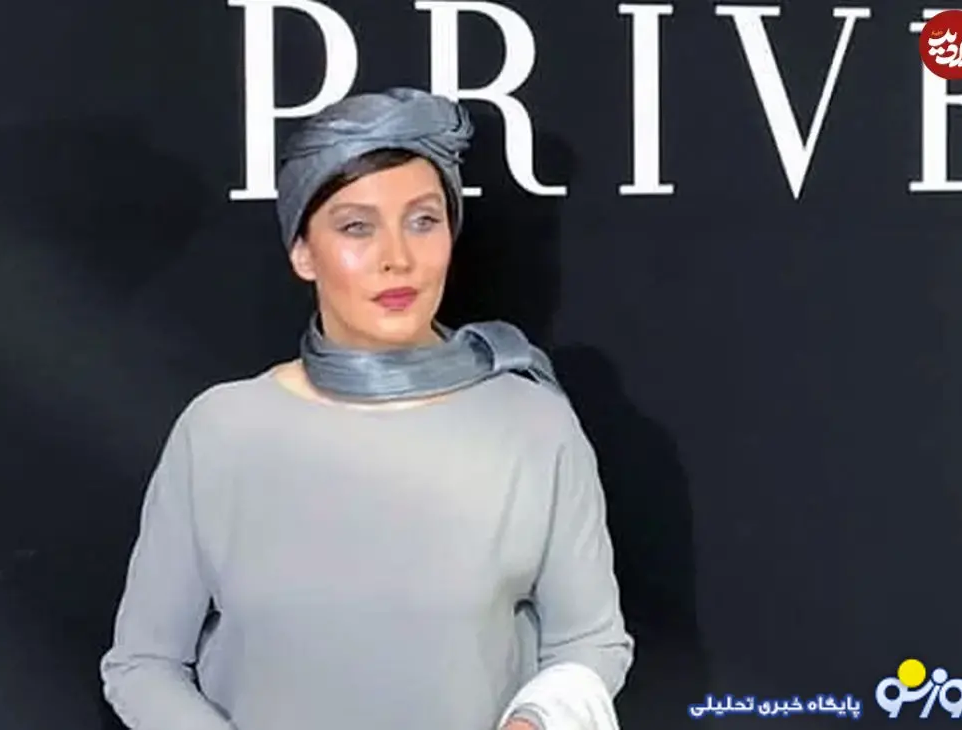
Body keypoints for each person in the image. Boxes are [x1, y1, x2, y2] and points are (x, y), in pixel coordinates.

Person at [99, 88, 633, 730]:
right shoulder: (221, 430)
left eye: (423, 220)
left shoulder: (531, 422)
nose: (397, 258)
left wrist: (536, 723)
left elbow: (591, 642)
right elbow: (143, 663)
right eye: (357, 226)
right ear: (303, 251)